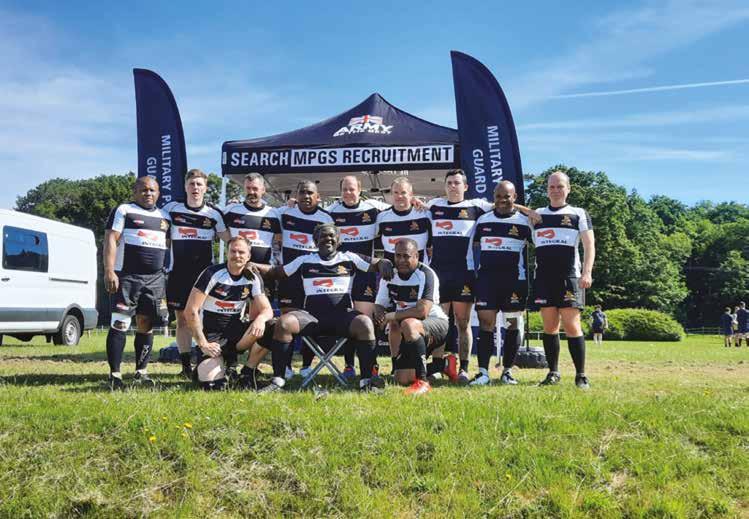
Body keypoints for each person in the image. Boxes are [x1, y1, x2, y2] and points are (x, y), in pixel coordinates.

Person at [250, 223, 394, 392]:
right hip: (311, 318)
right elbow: (275, 272)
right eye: (323, 236)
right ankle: (278, 381)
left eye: (332, 236)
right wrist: (254, 266)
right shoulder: (304, 260)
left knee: (365, 323)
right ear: (315, 241)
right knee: (283, 323)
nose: (328, 239)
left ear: (339, 240)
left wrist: (383, 262)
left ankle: (367, 382)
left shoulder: (349, 258)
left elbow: (376, 264)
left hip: (342, 317)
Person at [103, 176, 171, 390]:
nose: (148, 193)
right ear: (135, 192)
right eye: (143, 190)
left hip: (155, 280)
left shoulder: (165, 216)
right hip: (127, 277)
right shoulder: (124, 210)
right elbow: (110, 239)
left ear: (158, 193)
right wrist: (109, 271)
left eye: (152, 190)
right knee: (120, 324)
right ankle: (115, 375)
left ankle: (141, 372)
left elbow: (169, 245)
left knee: (146, 325)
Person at [163, 169, 230, 379]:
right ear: (185, 187)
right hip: (178, 274)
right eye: (192, 184)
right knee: (182, 320)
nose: (195, 188)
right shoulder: (171, 209)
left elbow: (230, 239)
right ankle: (185, 366)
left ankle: (205, 358)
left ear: (205, 188)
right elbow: (160, 236)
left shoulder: (214, 213)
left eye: (199, 184)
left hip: (204, 277)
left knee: (204, 319)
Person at [427, 169, 493, 383]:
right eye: (449, 183)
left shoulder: (476, 206)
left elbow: (505, 205)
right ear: (445, 186)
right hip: (438, 273)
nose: (453, 186)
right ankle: (437, 367)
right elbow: (411, 205)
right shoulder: (434, 206)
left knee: (463, 322)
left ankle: (464, 368)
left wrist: (530, 212)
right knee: (439, 322)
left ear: (465, 186)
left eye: (457, 183)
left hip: (463, 273)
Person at [183, 237, 274, 390]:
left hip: (237, 336)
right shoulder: (212, 273)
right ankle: (208, 368)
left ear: (248, 256)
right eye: (233, 251)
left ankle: (247, 374)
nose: (237, 255)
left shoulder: (253, 277)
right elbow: (190, 311)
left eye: (241, 252)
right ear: (227, 253)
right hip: (212, 338)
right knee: (213, 386)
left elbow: (267, 310)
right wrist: (203, 344)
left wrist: (260, 319)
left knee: (272, 326)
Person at [531, 171, 595, 389]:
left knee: (572, 325)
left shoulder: (578, 213)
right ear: (546, 190)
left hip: (569, 277)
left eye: (560, 186)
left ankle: (581, 376)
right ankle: (553, 373)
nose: (556, 190)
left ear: (568, 189)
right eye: (551, 187)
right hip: (543, 277)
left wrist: (587, 272)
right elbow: (511, 209)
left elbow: (589, 245)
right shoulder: (537, 215)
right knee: (550, 326)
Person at [327, 175, 391, 379]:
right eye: (344, 189)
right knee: (348, 318)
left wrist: (416, 202)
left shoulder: (373, 209)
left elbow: (397, 207)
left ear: (359, 189)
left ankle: (371, 365)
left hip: (365, 274)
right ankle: (348, 366)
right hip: (340, 276)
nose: (348, 193)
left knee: (365, 320)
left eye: (352, 189)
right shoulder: (331, 212)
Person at [470, 181, 531, 386]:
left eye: (507, 196)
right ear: (493, 197)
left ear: (515, 197)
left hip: (514, 281)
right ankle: (483, 373)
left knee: (512, 324)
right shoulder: (483, 220)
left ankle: (507, 372)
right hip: (487, 281)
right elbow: (474, 244)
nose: (502, 200)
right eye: (498, 196)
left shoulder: (524, 222)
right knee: (486, 324)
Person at [275, 181, 335, 378]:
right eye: (302, 192)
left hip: (314, 278)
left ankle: (306, 366)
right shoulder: (283, 213)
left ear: (318, 196)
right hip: (289, 277)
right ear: (296, 195)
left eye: (310, 193)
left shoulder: (325, 218)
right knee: (286, 320)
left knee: (311, 318)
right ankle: (286, 366)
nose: (306, 196)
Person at [374, 239, 449, 395]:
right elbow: (379, 304)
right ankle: (444, 365)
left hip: (435, 324)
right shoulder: (389, 275)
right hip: (409, 329)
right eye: (398, 255)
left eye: (406, 256)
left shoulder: (426, 274)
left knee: (406, 322)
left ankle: (423, 382)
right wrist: (380, 316)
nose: (401, 260)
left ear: (416, 256)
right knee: (402, 379)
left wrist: (390, 315)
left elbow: (422, 312)